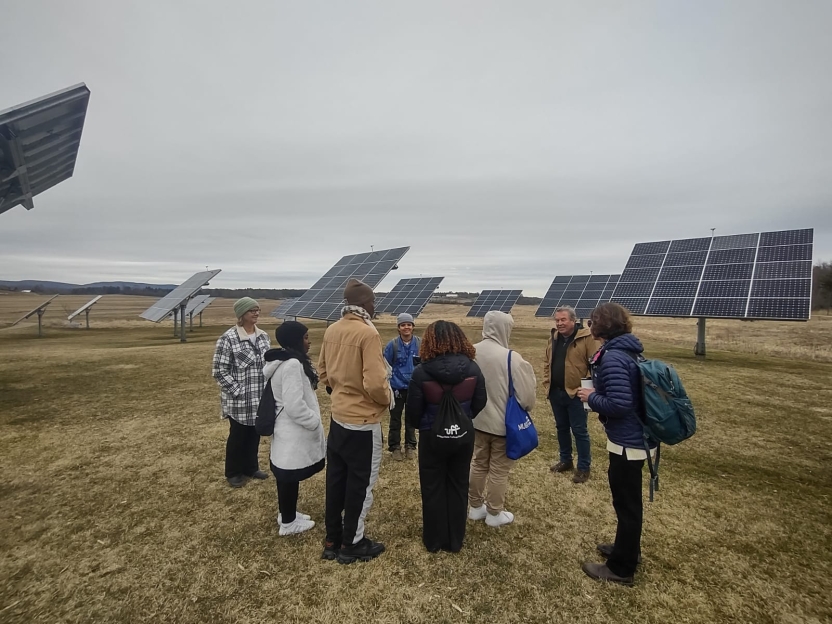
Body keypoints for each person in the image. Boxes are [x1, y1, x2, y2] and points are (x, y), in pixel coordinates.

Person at [577, 302, 655, 586]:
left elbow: (620, 403)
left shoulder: (613, 357)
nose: (589, 325)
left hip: (628, 442)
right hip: (634, 438)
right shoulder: (627, 350)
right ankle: (627, 549)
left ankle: (621, 568)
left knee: (626, 503)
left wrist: (591, 398)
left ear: (602, 325)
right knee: (628, 501)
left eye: (593, 321)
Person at [318, 279, 393, 564]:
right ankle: (353, 542)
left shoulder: (332, 329)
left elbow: (323, 372)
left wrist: (339, 390)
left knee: (336, 480)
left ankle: (332, 538)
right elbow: (375, 382)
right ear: (363, 304)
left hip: (338, 418)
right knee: (361, 484)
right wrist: (386, 399)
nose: (375, 307)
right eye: (373, 302)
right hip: (363, 421)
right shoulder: (367, 334)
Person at [407, 321, 487, 553]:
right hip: (463, 436)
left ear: (429, 341)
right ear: (459, 338)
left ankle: (434, 540)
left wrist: (426, 425)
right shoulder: (473, 368)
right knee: (458, 484)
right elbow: (480, 401)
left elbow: (413, 411)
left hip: (431, 437)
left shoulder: (421, 372)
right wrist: (464, 417)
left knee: (432, 486)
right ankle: (455, 540)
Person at [468, 311, 536, 527]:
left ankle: (475, 507)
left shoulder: (471, 352)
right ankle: (494, 513)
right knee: (499, 469)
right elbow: (526, 397)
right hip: (502, 426)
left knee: (478, 463)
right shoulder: (512, 357)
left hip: (476, 421)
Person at [262, 321, 326, 536]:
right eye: (306, 337)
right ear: (296, 340)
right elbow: (294, 405)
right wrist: (313, 421)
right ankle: (288, 523)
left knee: (287, 475)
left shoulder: (286, 361)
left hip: (286, 431)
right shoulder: (292, 365)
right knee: (288, 476)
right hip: (292, 431)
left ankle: (287, 513)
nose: (309, 342)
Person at [212, 297, 271, 488]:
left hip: (259, 398)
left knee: (254, 435)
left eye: (257, 310)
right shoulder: (228, 338)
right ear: (241, 315)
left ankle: (251, 468)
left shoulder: (263, 336)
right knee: (238, 437)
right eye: (251, 310)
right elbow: (219, 370)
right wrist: (237, 391)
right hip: (238, 400)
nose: (256, 313)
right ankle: (233, 472)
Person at [542, 305, 601, 483]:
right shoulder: (553, 338)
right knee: (561, 428)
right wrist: (547, 382)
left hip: (577, 394)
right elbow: (547, 362)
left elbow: (596, 365)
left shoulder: (587, 338)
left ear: (573, 320)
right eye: (557, 320)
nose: (559, 323)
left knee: (579, 431)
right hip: (556, 392)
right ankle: (565, 460)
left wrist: (587, 389)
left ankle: (583, 467)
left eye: (563, 320)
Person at [383, 312, 421, 461]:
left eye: (409, 324)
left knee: (412, 418)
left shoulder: (420, 343)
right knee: (395, 418)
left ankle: (410, 446)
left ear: (413, 327)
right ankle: (395, 447)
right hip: (396, 387)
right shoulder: (392, 345)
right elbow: (385, 366)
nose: (406, 327)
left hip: (414, 387)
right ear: (398, 328)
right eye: (403, 325)